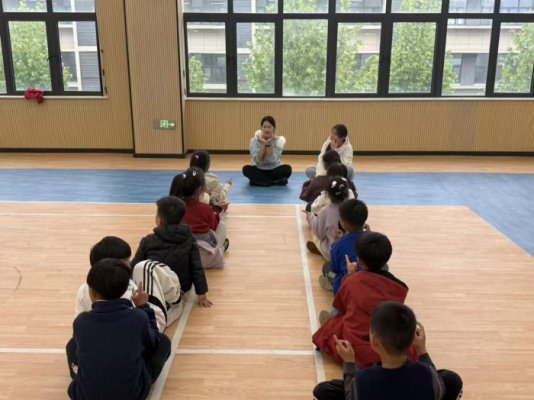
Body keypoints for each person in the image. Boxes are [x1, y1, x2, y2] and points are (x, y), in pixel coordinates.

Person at [313, 302, 463, 400]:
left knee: (322, 392)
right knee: (452, 379)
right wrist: (422, 351)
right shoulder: (427, 374)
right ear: (413, 339)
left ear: (375, 341)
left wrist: (349, 363)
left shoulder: (363, 380)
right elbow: (438, 389)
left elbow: (350, 395)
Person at [67, 259, 172, 400]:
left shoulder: (81, 321)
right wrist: (143, 307)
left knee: (72, 344)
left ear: (92, 292)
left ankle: (80, 379)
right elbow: (153, 343)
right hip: (132, 395)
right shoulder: (138, 317)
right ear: (124, 290)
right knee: (163, 341)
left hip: (83, 396)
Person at [312, 232, 416, 367]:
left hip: (353, 347)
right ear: (386, 259)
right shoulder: (399, 288)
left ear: (359, 261)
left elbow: (339, 308)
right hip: (387, 348)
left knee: (333, 322)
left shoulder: (351, 282)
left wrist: (349, 276)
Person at [132, 195, 212, 306]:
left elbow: (135, 267)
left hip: (154, 288)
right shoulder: (189, 239)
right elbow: (196, 267)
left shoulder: (147, 241)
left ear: (159, 219)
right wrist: (202, 293)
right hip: (181, 288)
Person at [169, 168, 227, 268]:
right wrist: (217, 212)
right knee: (221, 226)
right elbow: (212, 227)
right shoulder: (206, 208)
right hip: (205, 259)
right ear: (200, 189)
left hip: (178, 257)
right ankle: (221, 248)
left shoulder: (172, 208)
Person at [319, 199, 369, 294]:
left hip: (348, 287)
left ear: (344, 224)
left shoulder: (339, 245)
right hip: (371, 282)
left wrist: (334, 245)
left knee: (327, 268)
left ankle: (332, 284)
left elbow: (335, 269)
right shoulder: (374, 239)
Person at [305, 176, 350, 260]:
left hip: (333, 253)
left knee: (316, 232)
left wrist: (310, 216)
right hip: (352, 253)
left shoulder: (325, 211)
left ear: (328, 193)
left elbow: (319, 233)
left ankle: (321, 250)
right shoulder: (352, 208)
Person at [242, 116, 292, 186]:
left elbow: (271, 160)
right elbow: (258, 160)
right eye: (264, 127)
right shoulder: (254, 140)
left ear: (274, 129)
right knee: (246, 169)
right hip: (258, 169)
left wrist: (268, 144)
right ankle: (274, 181)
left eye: (269, 127)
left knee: (287, 169)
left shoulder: (279, 141)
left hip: (274, 169)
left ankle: (259, 181)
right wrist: (263, 144)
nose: (267, 129)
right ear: (261, 128)